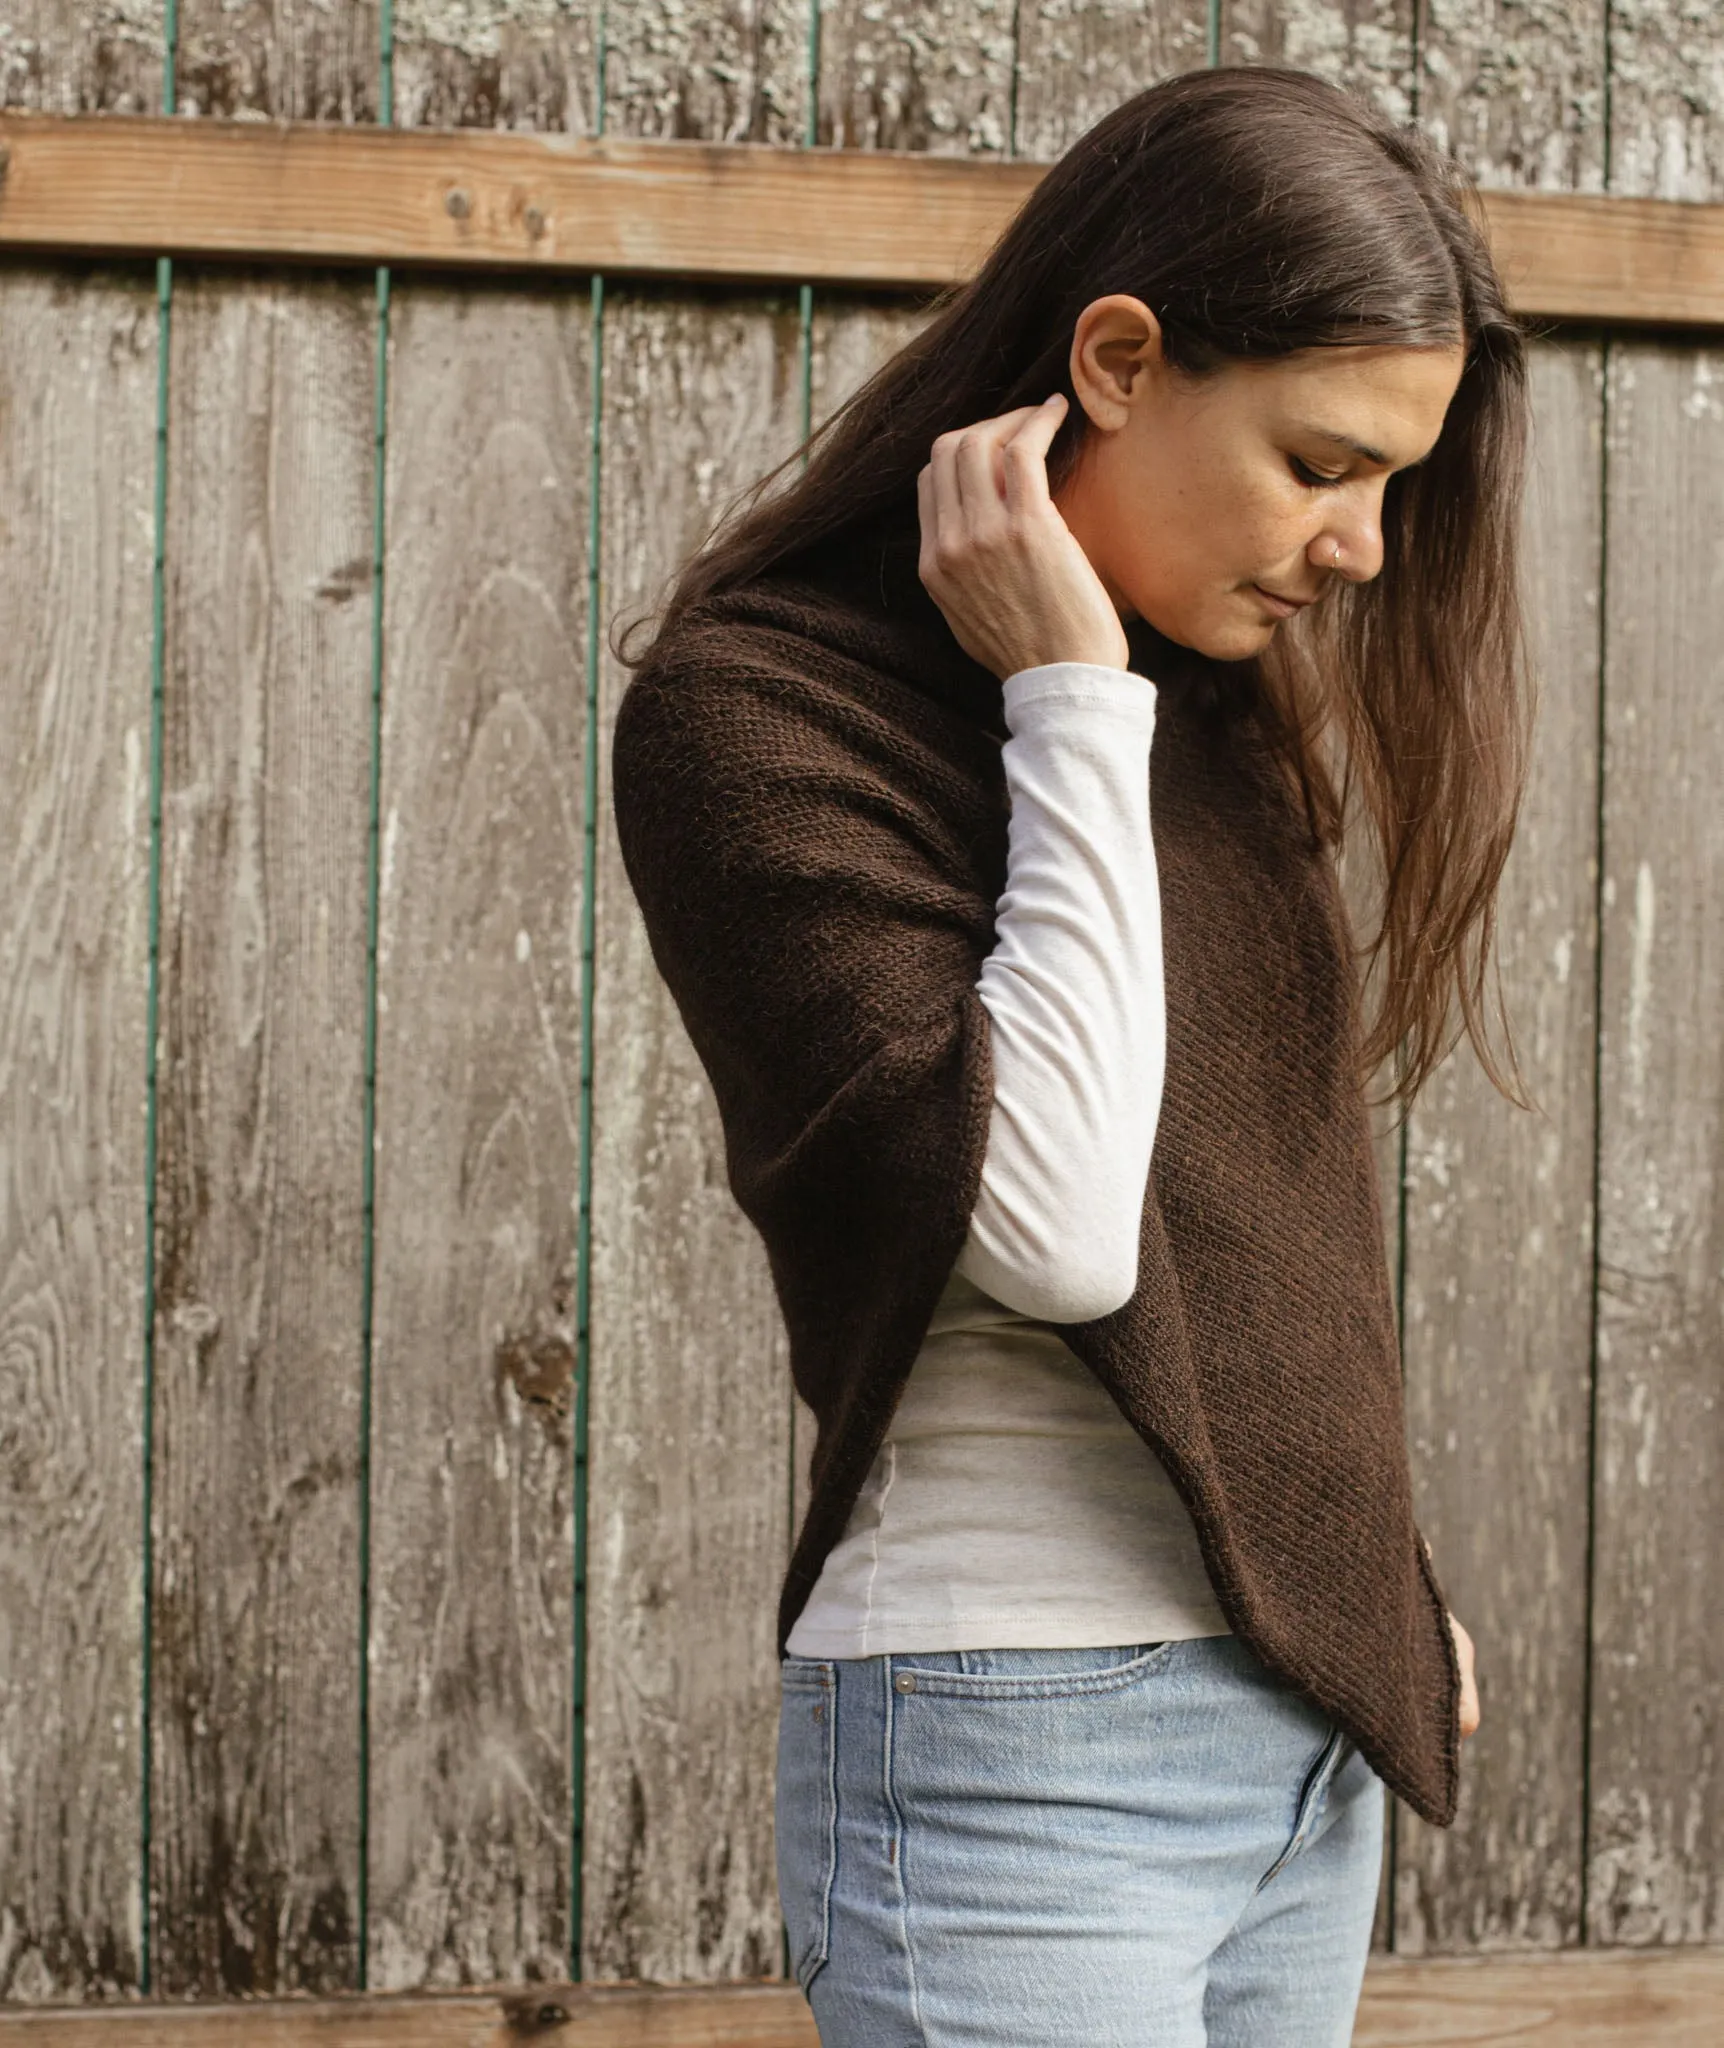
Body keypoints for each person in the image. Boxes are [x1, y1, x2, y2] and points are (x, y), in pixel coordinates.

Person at [609, 63, 1532, 2048]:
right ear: (1117, 356)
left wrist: (1360, 1563)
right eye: (1320, 461)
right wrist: (1060, 701)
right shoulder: (755, 715)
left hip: (1294, 1743)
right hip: (1009, 1754)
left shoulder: (1189, 706)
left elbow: (1255, 1215)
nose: (1363, 546)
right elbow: (1051, 1232)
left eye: (1392, 482)